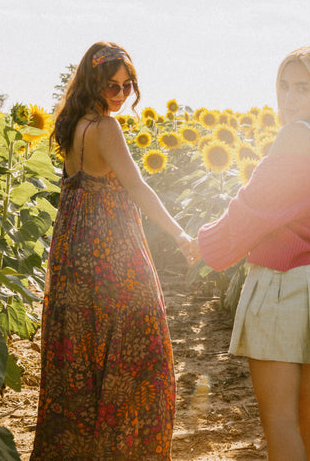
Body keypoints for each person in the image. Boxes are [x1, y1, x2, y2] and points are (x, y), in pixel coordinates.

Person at [31, 42, 199, 460]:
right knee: (140, 354)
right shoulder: (105, 128)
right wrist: (180, 236)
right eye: (112, 85)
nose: (121, 94)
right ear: (93, 82)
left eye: (129, 86)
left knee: (83, 362)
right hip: (111, 257)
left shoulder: (74, 126)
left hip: (74, 255)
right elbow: (138, 187)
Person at [196, 46, 310, 461]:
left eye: (303, 88)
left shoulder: (294, 135)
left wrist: (204, 244)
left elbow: (253, 206)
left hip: (281, 284)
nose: (289, 98)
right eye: (284, 86)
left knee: (279, 419)